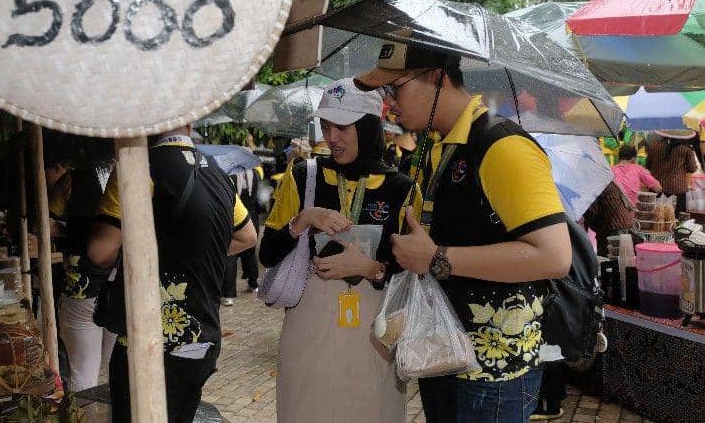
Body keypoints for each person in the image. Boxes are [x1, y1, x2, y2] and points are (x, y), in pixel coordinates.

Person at [355, 43, 571, 423]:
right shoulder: (435, 149)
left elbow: (554, 257)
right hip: (442, 352)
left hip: (493, 372)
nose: (389, 104)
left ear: (438, 79)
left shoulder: (502, 146)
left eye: (396, 89)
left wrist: (438, 257)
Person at [259, 78, 422, 423]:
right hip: (308, 332)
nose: (331, 137)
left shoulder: (402, 189)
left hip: (376, 332)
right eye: (325, 125)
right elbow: (268, 255)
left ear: (367, 127)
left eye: (343, 126)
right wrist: (302, 220)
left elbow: (414, 273)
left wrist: (370, 268)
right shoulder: (303, 176)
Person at [88, 124, 257, 423]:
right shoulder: (217, 172)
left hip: (149, 342)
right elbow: (247, 237)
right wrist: (194, 257)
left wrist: (148, 262)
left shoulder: (137, 169)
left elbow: (100, 251)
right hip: (202, 337)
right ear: (188, 124)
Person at [56, 168, 115, 393]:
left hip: (79, 294)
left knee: (83, 373)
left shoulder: (71, 214)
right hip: (113, 291)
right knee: (116, 369)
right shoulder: (112, 211)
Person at [221, 166, 262, 306]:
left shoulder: (230, 175)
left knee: (231, 257)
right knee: (250, 252)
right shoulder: (256, 174)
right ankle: (253, 283)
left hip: (236, 216)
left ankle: (228, 294)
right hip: (252, 216)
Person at [646, 130, 698, 213]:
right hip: (677, 190)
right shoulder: (685, 149)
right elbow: (692, 169)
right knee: (677, 220)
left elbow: (648, 165)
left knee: (656, 217)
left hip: (656, 188)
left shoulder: (654, 146)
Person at [582, 182, 633, 257]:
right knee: (621, 258)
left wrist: (582, 228)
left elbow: (592, 211)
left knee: (608, 259)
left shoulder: (594, 184)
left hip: (613, 227)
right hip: (624, 224)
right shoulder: (605, 180)